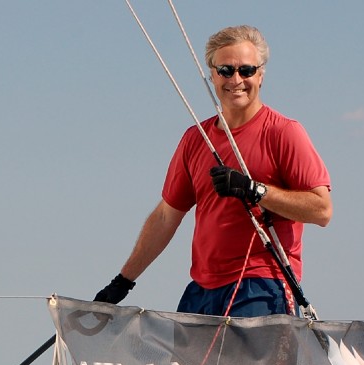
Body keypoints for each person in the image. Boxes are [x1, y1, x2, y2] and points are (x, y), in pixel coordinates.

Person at [94, 25, 332, 317]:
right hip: (202, 290)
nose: (236, 80)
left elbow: (321, 210)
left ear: (260, 75)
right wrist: (122, 281)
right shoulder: (196, 138)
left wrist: (254, 190)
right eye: (226, 70)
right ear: (213, 75)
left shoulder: (283, 132)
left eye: (246, 70)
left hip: (261, 285)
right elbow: (166, 216)